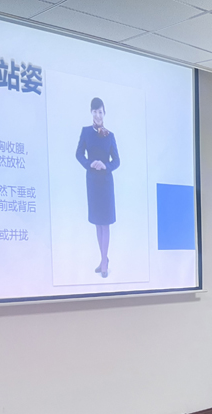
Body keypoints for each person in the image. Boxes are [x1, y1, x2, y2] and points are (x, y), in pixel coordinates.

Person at [76, 97, 120, 278]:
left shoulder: (110, 136)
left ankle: (103, 263)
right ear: (91, 112)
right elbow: (79, 154)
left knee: (105, 222)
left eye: (100, 112)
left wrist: (105, 166)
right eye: (95, 111)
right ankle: (104, 259)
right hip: (93, 181)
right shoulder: (86, 132)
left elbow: (117, 161)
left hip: (106, 183)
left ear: (104, 113)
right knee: (97, 222)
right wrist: (90, 164)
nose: (97, 115)